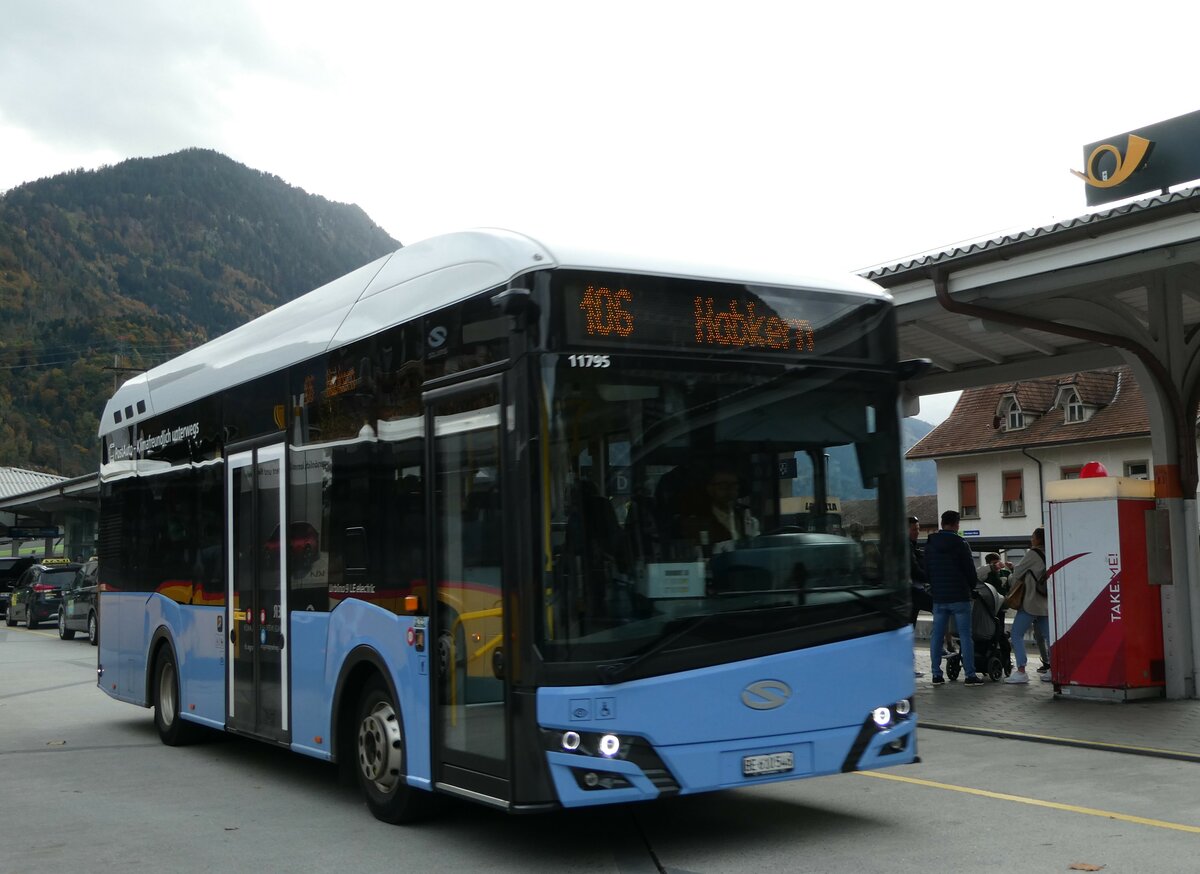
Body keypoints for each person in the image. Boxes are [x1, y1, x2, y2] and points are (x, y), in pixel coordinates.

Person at [925, 509, 986, 686]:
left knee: (937, 636)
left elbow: (927, 570)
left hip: (939, 597)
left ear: (942, 523)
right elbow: (970, 571)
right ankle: (970, 675)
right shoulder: (961, 543)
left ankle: (936, 675)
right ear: (956, 524)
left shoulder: (930, 543)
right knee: (965, 636)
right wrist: (972, 587)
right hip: (960, 596)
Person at [1004, 527, 1051, 684]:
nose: (1031, 540)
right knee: (1050, 637)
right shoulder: (1051, 552)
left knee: (1016, 634)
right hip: (1046, 602)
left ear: (1038, 539)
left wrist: (1011, 571)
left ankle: (1022, 670)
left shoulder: (1033, 553)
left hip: (1031, 601)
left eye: (1033, 537)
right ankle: (1054, 669)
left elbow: (1017, 573)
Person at [683, 467, 759, 554]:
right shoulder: (698, 520)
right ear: (710, 489)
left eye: (734, 485)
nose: (729, 490)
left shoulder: (747, 516)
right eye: (722, 486)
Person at [907, 516, 933, 678]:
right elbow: (914, 569)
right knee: (938, 606)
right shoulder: (906, 546)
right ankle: (943, 643)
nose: (917, 532)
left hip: (911, 592)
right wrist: (930, 577)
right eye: (914, 529)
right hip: (910, 593)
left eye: (918, 528)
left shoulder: (912, 546)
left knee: (909, 630)